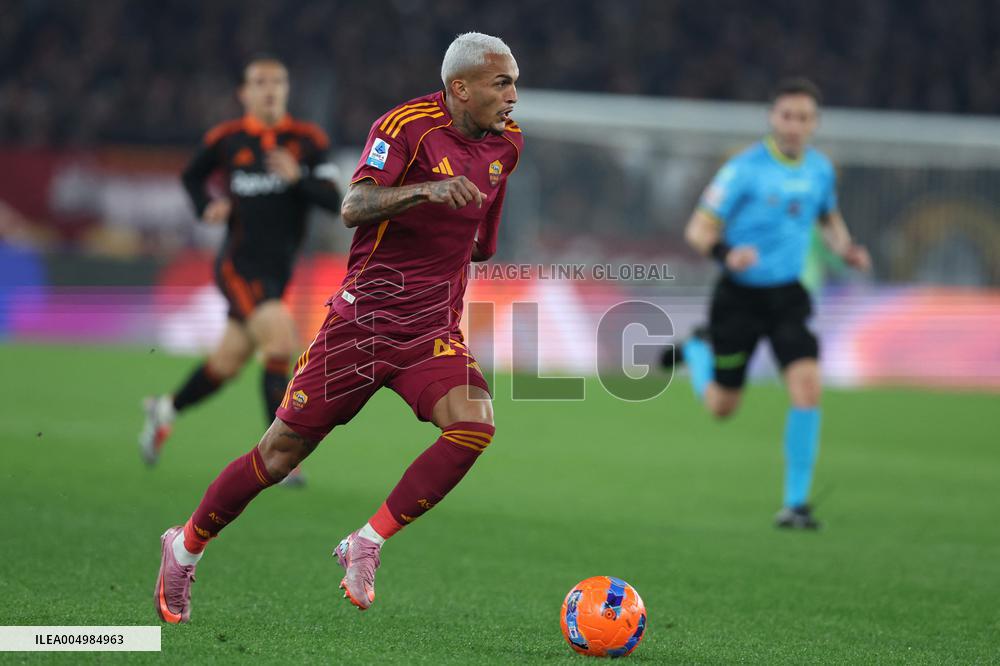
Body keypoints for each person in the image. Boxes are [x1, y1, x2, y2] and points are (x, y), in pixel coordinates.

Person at [153, 32, 522, 623]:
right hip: (362, 327)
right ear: (461, 88)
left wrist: (461, 251)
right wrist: (428, 189)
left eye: (514, 84)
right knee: (277, 456)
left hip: (430, 329)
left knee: (474, 425)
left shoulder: (510, 145)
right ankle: (186, 544)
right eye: (502, 83)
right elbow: (353, 205)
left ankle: (367, 542)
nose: (513, 97)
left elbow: (482, 239)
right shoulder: (403, 127)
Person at [139, 56, 342, 488]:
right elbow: (192, 177)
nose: (269, 89)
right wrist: (205, 207)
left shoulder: (306, 141)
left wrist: (297, 178)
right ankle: (281, 456)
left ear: (286, 90)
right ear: (244, 93)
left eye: (277, 82)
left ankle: (164, 409)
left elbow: (333, 201)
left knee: (227, 363)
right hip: (238, 267)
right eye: (260, 82)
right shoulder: (227, 139)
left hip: (277, 272)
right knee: (281, 337)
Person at [678, 78, 870, 529]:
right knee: (722, 408)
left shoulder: (820, 170)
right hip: (738, 299)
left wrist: (845, 247)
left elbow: (827, 215)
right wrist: (729, 254)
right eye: (786, 115)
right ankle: (696, 351)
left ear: (814, 124)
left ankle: (795, 505)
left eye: (803, 117)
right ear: (772, 117)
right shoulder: (742, 169)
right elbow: (697, 230)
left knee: (807, 387)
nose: (794, 124)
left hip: (787, 296)